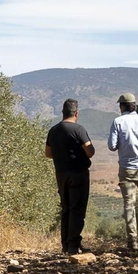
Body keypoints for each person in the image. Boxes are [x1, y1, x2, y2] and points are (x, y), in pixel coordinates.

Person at [108, 92, 138, 251]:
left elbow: (112, 146)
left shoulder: (118, 122)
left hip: (127, 168)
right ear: (134, 105)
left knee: (129, 205)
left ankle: (132, 241)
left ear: (122, 106)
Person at [44, 98, 94, 254]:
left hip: (61, 174)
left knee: (65, 209)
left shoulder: (53, 130)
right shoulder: (78, 129)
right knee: (77, 208)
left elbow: (48, 153)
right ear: (76, 113)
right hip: (78, 174)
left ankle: (65, 245)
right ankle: (74, 245)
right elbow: (90, 151)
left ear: (63, 113)